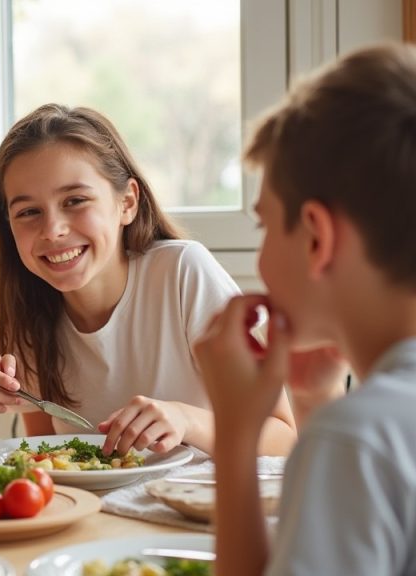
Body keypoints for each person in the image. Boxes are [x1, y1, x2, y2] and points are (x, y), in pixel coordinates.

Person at [193, 43, 416, 575]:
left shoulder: (357, 441)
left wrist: (236, 433)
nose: (262, 257)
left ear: (317, 237)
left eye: (264, 225)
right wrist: (315, 400)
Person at [0, 104, 297, 456]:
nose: (53, 230)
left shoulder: (184, 273)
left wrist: (186, 420)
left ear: (127, 202)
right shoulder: (24, 312)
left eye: (75, 201)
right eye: (29, 212)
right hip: (101, 512)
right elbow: (48, 458)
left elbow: (283, 438)